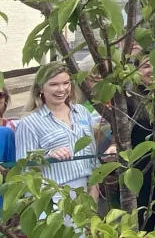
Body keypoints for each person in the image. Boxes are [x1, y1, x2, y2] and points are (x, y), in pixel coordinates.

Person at [15, 63, 102, 200]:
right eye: (54, 84)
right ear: (40, 88)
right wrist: (47, 156)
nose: (61, 89)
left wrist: (93, 195)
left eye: (66, 83)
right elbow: (24, 169)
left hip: (86, 193)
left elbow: (93, 159)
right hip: (53, 198)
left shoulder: (82, 112)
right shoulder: (29, 123)